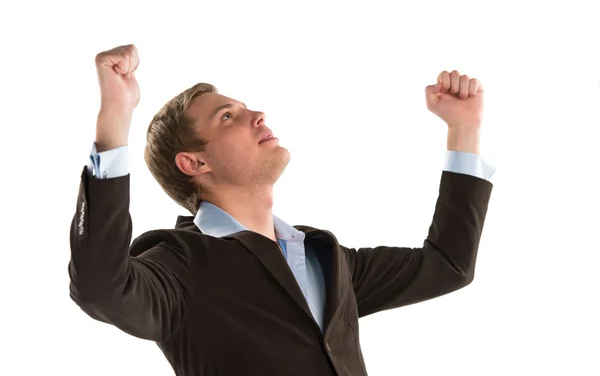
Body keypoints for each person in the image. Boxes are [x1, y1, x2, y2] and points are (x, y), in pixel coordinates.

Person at [68, 44, 495, 376]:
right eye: (227, 116)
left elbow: (449, 265)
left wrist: (464, 129)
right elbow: (101, 287)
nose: (256, 114)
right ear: (194, 163)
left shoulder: (325, 256)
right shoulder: (180, 266)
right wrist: (115, 117)